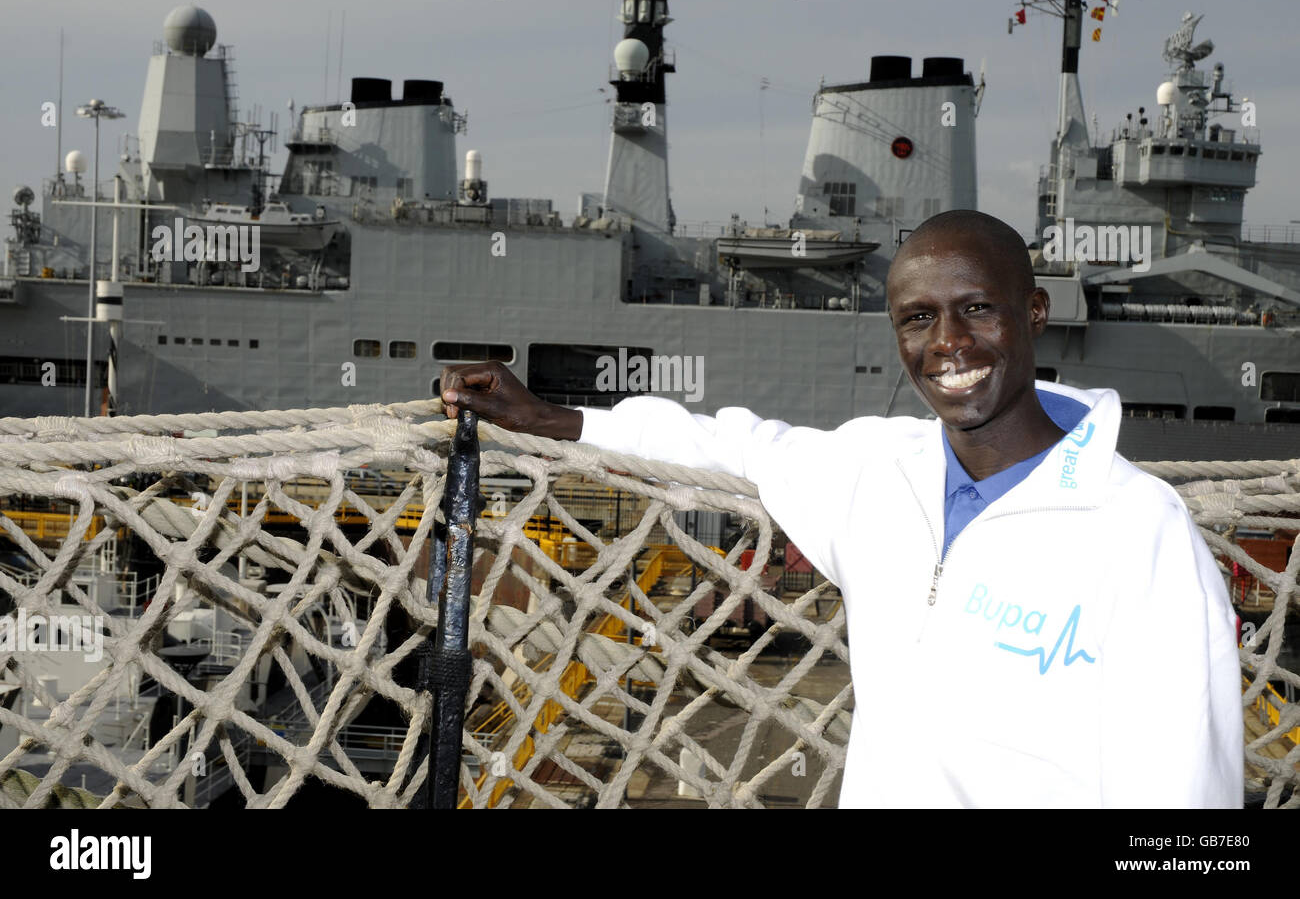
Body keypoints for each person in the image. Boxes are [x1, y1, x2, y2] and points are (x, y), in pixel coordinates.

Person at [440, 209, 1243, 808]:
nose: (949, 344)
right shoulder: (875, 470)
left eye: (978, 308)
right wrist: (558, 421)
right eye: (918, 318)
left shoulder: (1142, 531)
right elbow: (738, 445)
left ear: (1034, 312)